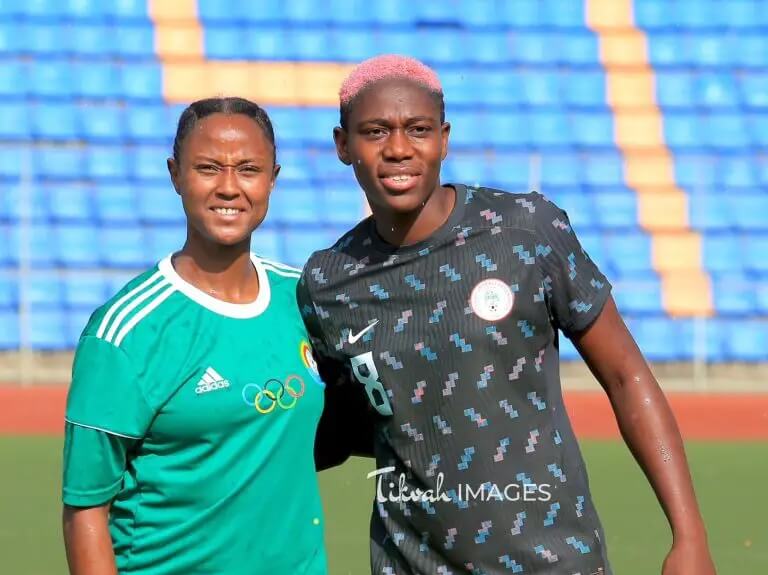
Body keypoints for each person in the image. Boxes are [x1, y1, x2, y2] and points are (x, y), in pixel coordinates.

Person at [298, 55, 716, 575]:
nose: (399, 148)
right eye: (376, 131)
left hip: (554, 563)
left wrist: (689, 536)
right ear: (343, 145)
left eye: (418, 130)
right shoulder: (327, 283)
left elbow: (626, 375)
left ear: (444, 139)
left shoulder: (524, 232)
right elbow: (338, 430)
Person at [62, 97, 328, 575]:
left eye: (248, 169)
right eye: (208, 168)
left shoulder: (303, 299)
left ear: (273, 179)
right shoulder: (125, 332)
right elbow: (85, 508)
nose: (229, 187)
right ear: (175, 175)